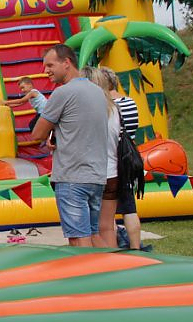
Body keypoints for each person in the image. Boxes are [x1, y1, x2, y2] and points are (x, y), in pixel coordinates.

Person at [31, 45, 109, 247]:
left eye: (50, 65)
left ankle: (86, 269)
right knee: (93, 235)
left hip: (72, 176)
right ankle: (112, 266)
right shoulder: (98, 92)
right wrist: (58, 134)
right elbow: (81, 127)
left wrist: (51, 131)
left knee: (78, 238)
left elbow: (37, 134)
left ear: (66, 63)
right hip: (96, 175)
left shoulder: (62, 93)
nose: (46, 71)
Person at [100, 66, 146, 250]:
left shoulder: (106, 107)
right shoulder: (130, 102)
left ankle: (111, 246)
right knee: (129, 209)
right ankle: (136, 247)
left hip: (110, 161)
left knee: (107, 213)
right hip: (127, 160)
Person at [83, 66, 122, 249]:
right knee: (107, 227)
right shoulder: (114, 109)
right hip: (112, 172)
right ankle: (112, 261)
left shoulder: (86, 110)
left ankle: (95, 261)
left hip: (91, 173)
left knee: (88, 230)